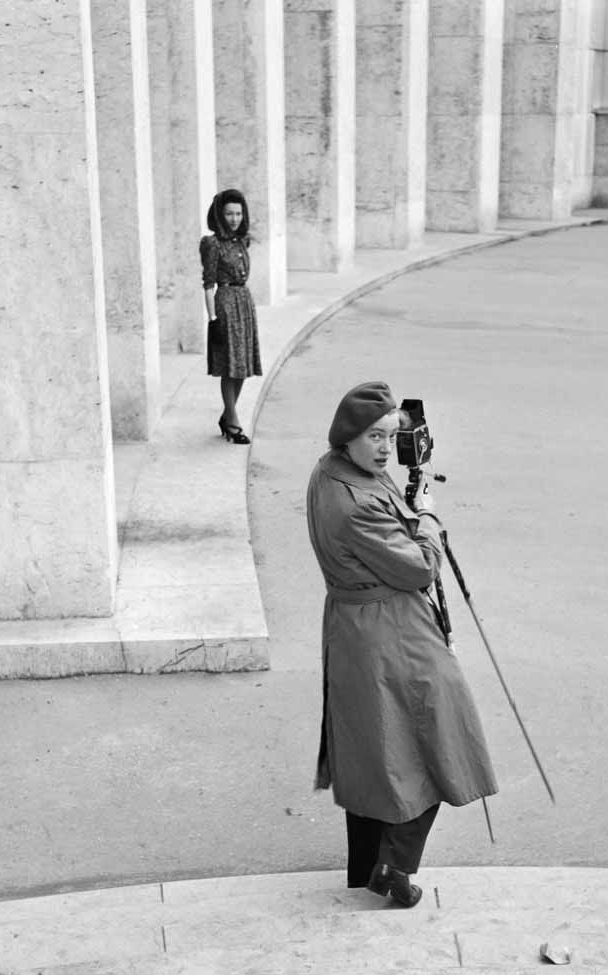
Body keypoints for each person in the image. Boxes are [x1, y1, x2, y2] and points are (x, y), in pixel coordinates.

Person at [306, 381, 498, 907]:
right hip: (391, 632)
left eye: (392, 436)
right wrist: (428, 518)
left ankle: (371, 868)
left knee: (375, 752)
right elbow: (418, 569)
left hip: (359, 628)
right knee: (439, 743)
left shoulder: (332, 471)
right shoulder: (354, 503)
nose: (386, 448)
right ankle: (394, 864)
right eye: (375, 437)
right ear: (348, 437)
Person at [200, 188, 261, 444]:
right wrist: (213, 319)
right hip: (225, 304)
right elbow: (208, 284)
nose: (234, 218)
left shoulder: (242, 241)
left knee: (243, 366)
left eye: (238, 213)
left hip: (244, 302)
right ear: (220, 215)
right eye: (229, 214)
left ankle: (227, 415)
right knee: (230, 365)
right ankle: (233, 421)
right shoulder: (212, 244)